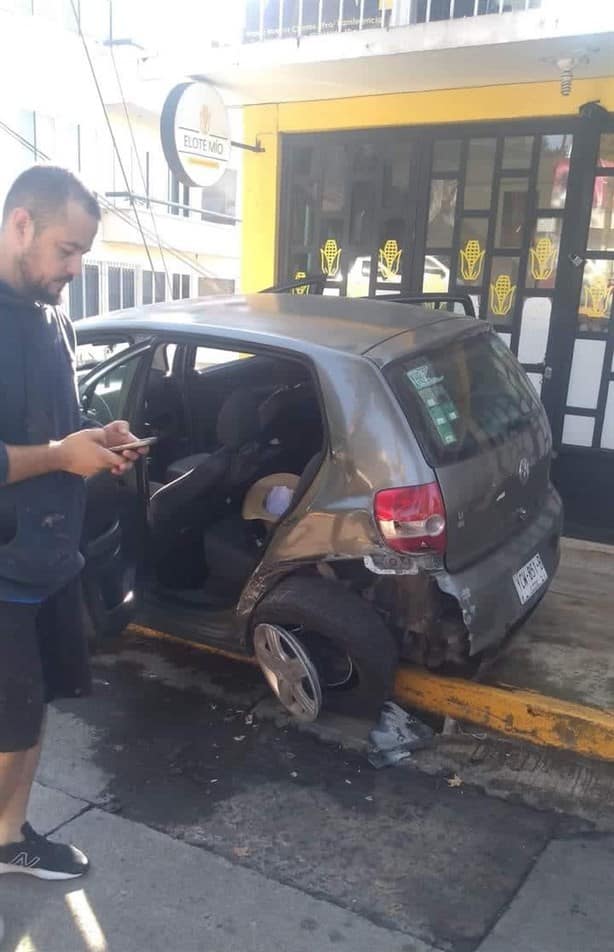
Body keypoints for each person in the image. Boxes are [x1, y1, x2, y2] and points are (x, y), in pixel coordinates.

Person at [0, 166, 144, 925]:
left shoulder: (50, 314)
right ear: (20, 224)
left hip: (52, 558)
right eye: (66, 249)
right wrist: (60, 455)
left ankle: (8, 837)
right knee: (7, 723)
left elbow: (57, 415)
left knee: (36, 711)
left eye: (83, 253)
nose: (75, 269)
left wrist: (97, 434)